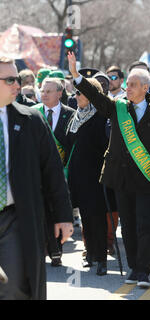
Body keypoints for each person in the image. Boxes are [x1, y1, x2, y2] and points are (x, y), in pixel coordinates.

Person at [68, 51, 150, 288]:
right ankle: (134, 267)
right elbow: (95, 95)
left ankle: (144, 270)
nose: (128, 88)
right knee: (127, 225)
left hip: (146, 178)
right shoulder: (117, 108)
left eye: (134, 85)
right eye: (128, 85)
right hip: (121, 177)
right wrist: (76, 75)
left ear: (146, 87)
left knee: (144, 224)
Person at [0, 57, 73, 299]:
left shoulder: (31, 120)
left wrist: (63, 216)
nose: (17, 85)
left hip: (14, 218)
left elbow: (52, 171)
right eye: (10, 79)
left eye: (18, 79)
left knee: (15, 287)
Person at [66, 78, 109, 276]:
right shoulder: (75, 116)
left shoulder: (101, 117)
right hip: (78, 176)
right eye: (75, 93)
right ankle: (90, 253)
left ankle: (101, 258)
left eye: (79, 93)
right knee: (85, 217)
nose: (75, 97)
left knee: (97, 217)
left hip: (95, 176)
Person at [34, 77, 75, 267]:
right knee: (43, 211)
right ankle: (47, 248)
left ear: (60, 93)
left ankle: (56, 249)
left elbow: (74, 145)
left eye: (49, 91)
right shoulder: (32, 114)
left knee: (57, 209)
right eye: (42, 90)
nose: (44, 94)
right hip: (37, 172)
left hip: (63, 172)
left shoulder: (71, 115)